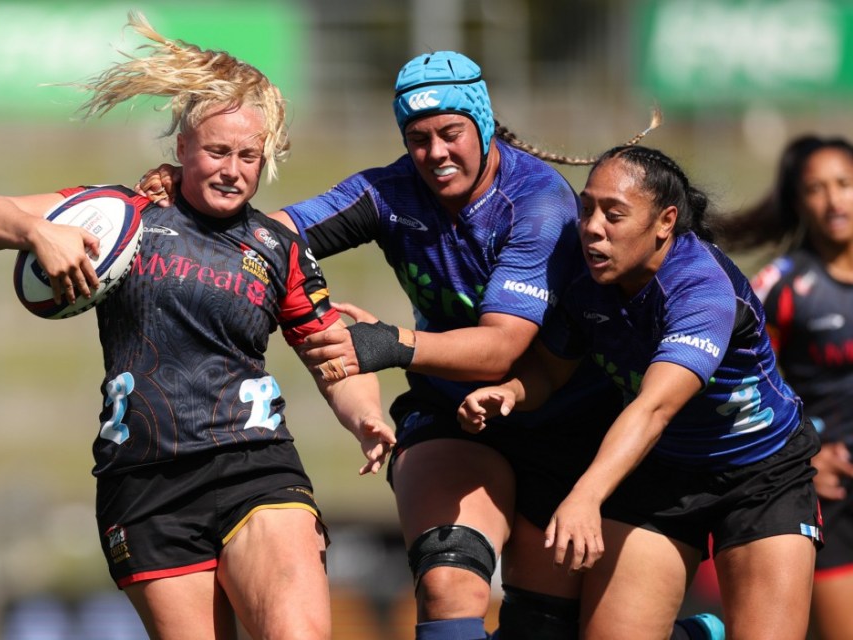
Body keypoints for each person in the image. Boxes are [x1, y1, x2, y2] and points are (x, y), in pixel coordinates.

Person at [138, 52, 721, 639]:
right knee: (449, 586)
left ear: (484, 125)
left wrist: (389, 342)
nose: (436, 153)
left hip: (564, 419)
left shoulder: (538, 202)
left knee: (543, 630)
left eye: (451, 133)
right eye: (418, 138)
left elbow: (502, 350)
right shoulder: (388, 193)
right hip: (453, 416)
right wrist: (184, 197)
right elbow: (262, 239)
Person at [0, 12, 395, 640]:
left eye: (249, 156)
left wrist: (366, 417)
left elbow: (330, 353)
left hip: (256, 464)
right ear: (182, 147)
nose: (233, 169)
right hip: (145, 479)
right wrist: (36, 232)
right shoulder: (121, 216)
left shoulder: (279, 248)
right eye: (218, 151)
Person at [457, 144, 822, 640]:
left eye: (614, 214)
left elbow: (653, 408)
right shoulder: (586, 284)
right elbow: (549, 371)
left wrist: (586, 495)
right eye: (586, 208)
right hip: (660, 471)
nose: (591, 227)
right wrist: (513, 392)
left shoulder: (702, 289)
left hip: (761, 475)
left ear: (665, 221)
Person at [722, 135, 853, 640]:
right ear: (799, 202)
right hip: (832, 494)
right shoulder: (781, 286)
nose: (834, 200)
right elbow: (744, 379)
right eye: (817, 189)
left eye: (844, 184)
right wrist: (807, 453)